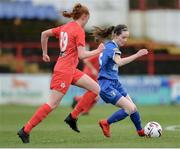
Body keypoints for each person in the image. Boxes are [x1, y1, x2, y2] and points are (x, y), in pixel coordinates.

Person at [17, 3, 104, 143]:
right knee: (52, 104)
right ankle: (25, 130)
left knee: (96, 89)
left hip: (70, 69)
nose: (88, 20)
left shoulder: (65, 27)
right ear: (85, 16)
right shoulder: (78, 30)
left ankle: (72, 117)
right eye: (88, 18)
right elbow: (82, 55)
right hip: (64, 71)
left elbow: (44, 34)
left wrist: (44, 53)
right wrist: (98, 51)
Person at [92, 25, 148, 137]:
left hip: (115, 83)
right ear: (116, 35)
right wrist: (137, 55)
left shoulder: (110, 46)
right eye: (123, 37)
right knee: (129, 108)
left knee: (133, 107)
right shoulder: (113, 48)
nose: (125, 40)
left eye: (127, 38)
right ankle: (106, 123)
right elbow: (119, 62)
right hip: (107, 85)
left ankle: (140, 131)